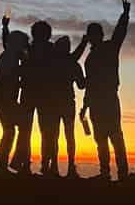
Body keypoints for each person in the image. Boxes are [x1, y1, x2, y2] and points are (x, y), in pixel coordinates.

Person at [16, 21, 88, 175]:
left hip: (42, 98)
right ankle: (51, 166)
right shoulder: (51, 52)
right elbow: (73, 58)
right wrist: (83, 43)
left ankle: (42, 165)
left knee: (41, 133)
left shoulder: (40, 50)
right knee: (49, 134)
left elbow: (71, 58)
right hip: (47, 99)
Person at [80, 0, 131, 181]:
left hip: (108, 100)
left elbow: (119, 33)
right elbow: (90, 85)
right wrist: (85, 106)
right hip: (98, 102)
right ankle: (107, 173)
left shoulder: (109, 49)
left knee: (114, 137)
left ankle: (119, 173)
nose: (92, 38)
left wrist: (125, 15)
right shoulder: (91, 58)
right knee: (103, 139)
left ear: (98, 36)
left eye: (94, 34)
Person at [0, 14, 28, 173]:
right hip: (5, 99)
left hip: (3, 98)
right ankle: (9, 163)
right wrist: (21, 76)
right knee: (16, 129)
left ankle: (6, 163)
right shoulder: (9, 56)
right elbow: (6, 77)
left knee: (11, 130)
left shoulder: (10, 54)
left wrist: (5, 27)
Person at [51, 36, 86, 178]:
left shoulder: (52, 63)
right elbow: (81, 85)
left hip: (53, 102)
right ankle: (70, 166)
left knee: (54, 135)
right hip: (67, 102)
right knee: (69, 135)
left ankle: (53, 166)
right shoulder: (73, 64)